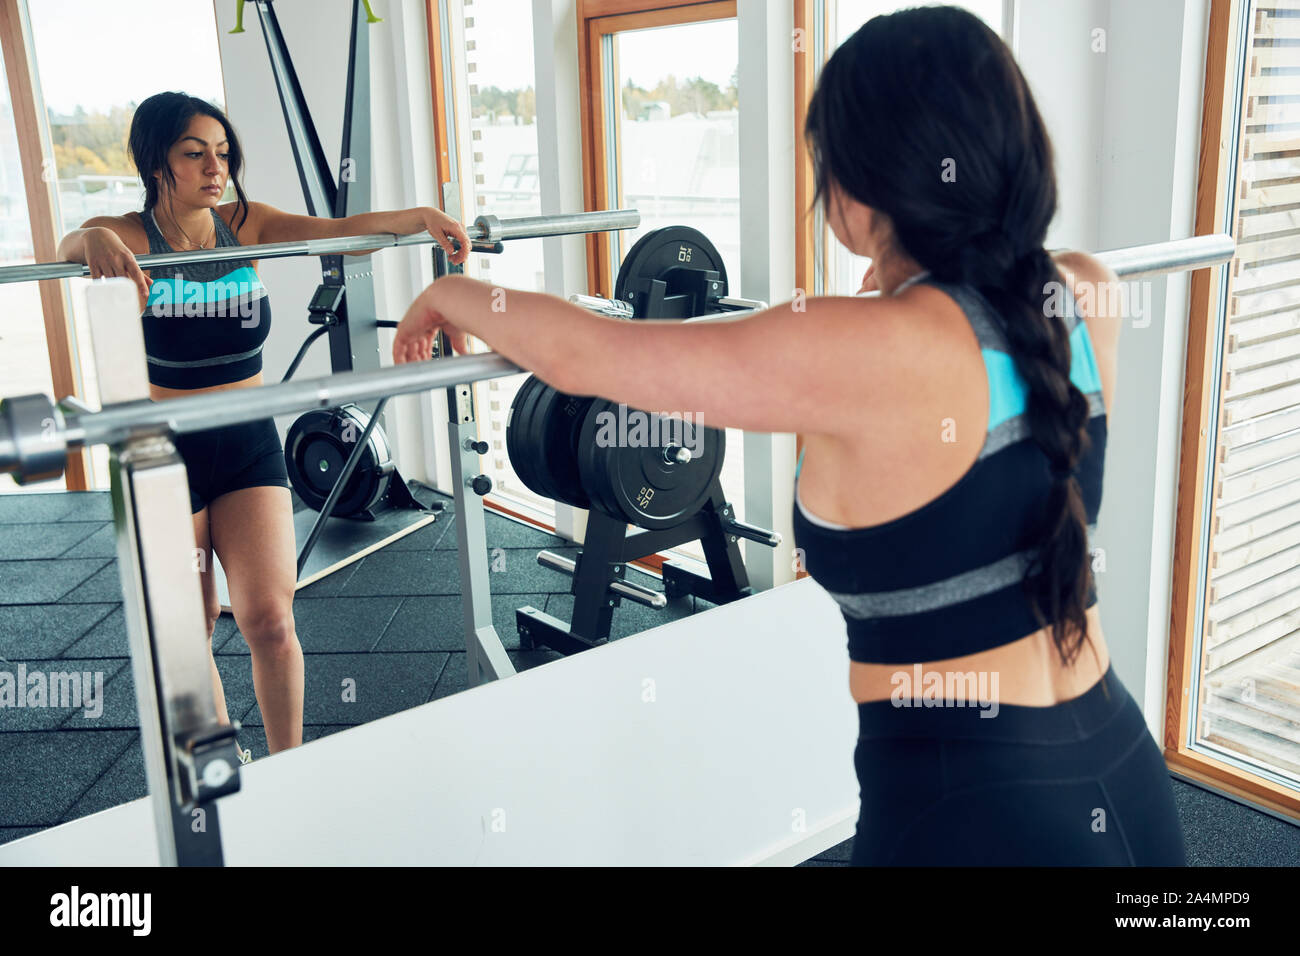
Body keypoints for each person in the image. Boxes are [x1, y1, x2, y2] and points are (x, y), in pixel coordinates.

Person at [390, 6, 1189, 865]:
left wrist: (453, 294)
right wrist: (897, 279)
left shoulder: (854, 345)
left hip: (971, 811)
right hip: (1122, 772)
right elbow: (972, 362)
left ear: (860, 183)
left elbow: (591, 356)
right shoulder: (1080, 291)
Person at [57, 92, 471, 760]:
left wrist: (420, 218)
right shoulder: (135, 237)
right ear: (156, 162)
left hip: (247, 443)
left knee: (271, 621)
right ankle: (223, 755)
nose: (213, 168)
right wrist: (93, 237)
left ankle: (288, 766)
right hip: (166, 451)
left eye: (221, 154)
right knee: (189, 631)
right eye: (194, 153)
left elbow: (340, 230)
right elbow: (71, 243)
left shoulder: (243, 224)